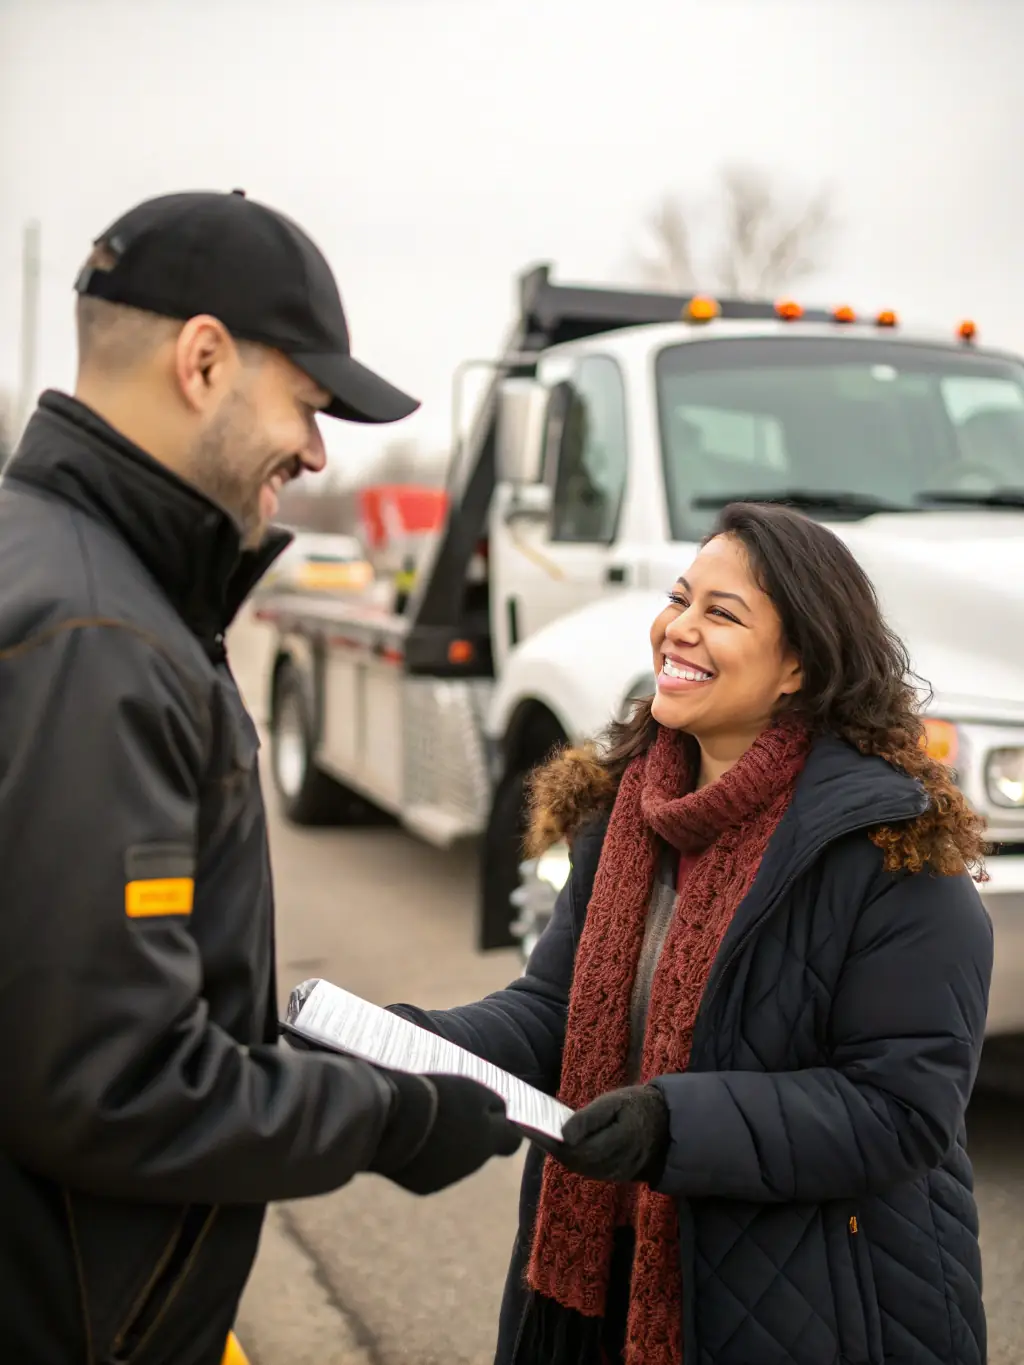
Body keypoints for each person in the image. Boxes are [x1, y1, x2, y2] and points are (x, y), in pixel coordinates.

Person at [0, 189, 521, 1365]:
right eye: (308, 400)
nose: (319, 448)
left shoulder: (73, 576)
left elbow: (72, 1003)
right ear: (202, 360)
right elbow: (109, 1081)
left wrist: (296, 1056)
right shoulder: (98, 637)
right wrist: (389, 1115)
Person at [390, 501, 993, 1365]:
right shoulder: (627, 814)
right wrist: (419, 1041)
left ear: (798, 664)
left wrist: (672, 1122)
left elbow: (900, 1111)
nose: (677, 629)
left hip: (814, 1301)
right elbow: (556, 1010)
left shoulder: (892, 850)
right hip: (596, 1278)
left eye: (722, 613)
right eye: (679, 599)